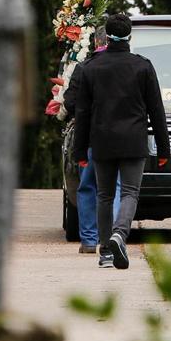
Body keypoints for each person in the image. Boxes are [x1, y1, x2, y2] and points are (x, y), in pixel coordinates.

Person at [73, 14, 170, 270]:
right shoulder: (143, 66)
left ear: (106, 36)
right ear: (130, 36)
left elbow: (82, 113)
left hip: (102, 142)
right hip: (134, 141)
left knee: (103, 195)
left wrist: (80, 151)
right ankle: (120, 234)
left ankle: (105, 252)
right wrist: (163, 148)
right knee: (129, 192)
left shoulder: (91, 68)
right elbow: (156, 110)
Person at [63, 26, 121, 254]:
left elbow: (69, 103)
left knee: (87, 186)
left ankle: (88, 240)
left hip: (88, 138)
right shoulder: (125, 66)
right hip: (117, 136)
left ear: (96, 42)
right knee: (113, 187)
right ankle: (114, 235)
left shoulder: (83, 68)